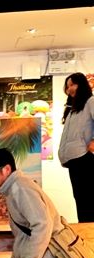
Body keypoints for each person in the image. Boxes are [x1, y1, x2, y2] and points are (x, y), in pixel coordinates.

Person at [58, 72, 94, 223]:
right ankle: (86, 230)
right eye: (67, 87)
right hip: (73, 160)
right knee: (80, 198)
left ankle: (90, 231)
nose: (69, 89)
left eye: (73, 84)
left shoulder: (90, 101)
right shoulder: (72, 109)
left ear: (82, 85)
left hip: (84, 158)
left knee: (87, 199)